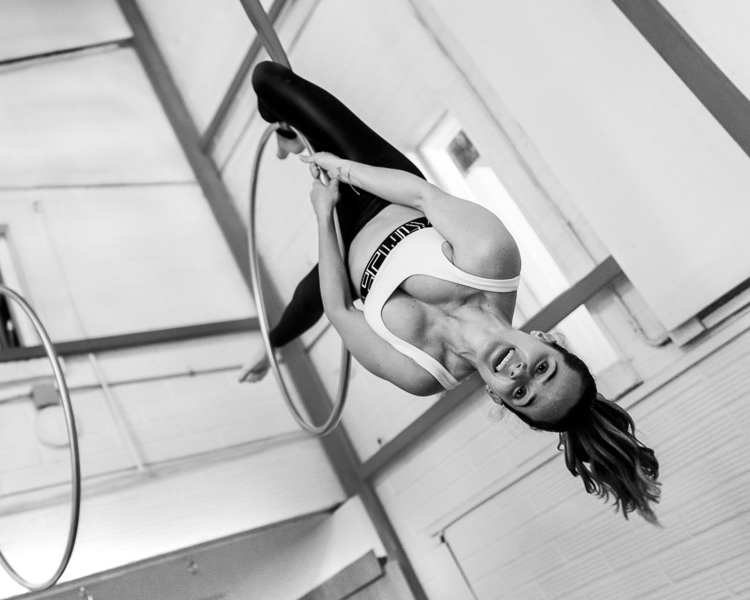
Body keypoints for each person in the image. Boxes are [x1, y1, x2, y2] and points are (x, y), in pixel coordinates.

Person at [240, 61, 660, 523]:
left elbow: (339, 311)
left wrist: (324, 213)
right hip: (387, 186)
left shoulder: (423, 375)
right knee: (269, 80)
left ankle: (270, 347)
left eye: (522, 393)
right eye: (543, 368)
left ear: (499, 399)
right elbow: (421, 197)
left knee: (305, 304)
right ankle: (285, 131)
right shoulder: (495, 261)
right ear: (549, 339)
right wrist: (338, 168)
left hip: (344, 248)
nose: (522, 372)